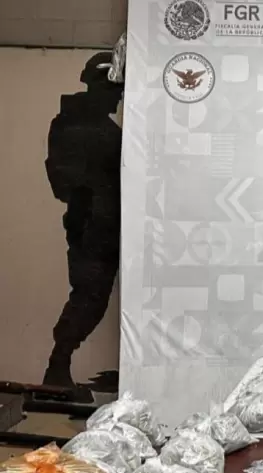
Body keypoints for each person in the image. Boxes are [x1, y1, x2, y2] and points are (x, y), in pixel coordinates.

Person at [42, 46, 125, 390]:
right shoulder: (80, 127)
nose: (118, 98)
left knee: (94, 298)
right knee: (90, 297)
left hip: (106, 226)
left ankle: (61, 363)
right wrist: (93, 201)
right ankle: (57, 365)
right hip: (93, 227)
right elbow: (64, 181)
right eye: (115, 91)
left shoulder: (101, 129)